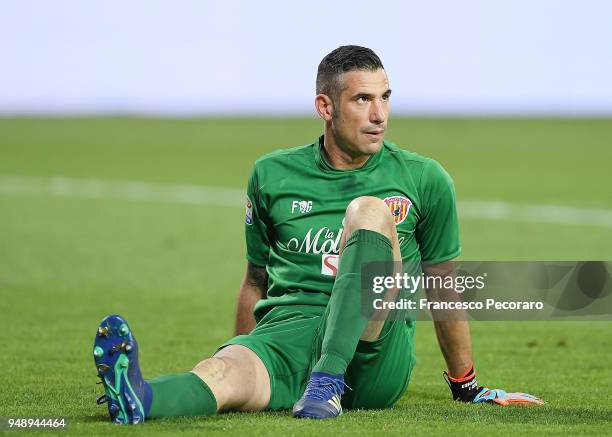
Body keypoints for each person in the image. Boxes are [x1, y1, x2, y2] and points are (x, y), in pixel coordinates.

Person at [93, 45, 543, 425]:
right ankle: (137, 398)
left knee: (367, 211)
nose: (379, 115)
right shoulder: (271, 174)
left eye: (385, 97)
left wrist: (467, 386)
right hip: (291, 334)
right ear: (325, 107)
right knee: (220, 372)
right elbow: (256, 280)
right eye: (363, 100)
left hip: (373, 352)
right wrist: (240, 350)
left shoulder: (424, 178)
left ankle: (327, 381)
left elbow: (443, 283)